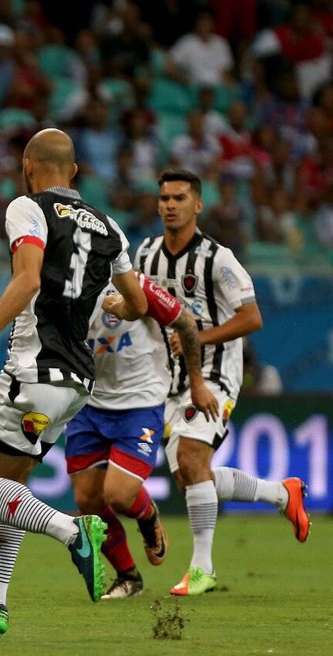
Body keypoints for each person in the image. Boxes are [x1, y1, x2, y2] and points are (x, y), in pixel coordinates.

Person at [0, 128, 149, 637]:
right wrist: (120, 306)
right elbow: (138, 304)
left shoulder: (27, 209)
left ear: (29, 166)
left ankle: (71, 530)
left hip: (32, 369)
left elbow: (28, 279)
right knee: (7, 488)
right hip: (76, 383)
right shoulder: (110, 229)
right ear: (74, 171)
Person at [131, 167, 309, 597]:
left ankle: (203, 568)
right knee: (192, 477)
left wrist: (196, 336)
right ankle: (283, 496)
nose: (170, 205)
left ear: (198, 204)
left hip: (214, 374)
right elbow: (137, 305)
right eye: (164, 198)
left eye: (179, 198)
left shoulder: (218, 258)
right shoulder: (147, 254)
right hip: (165, 376)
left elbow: (252, 317)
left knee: (192, 460)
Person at [65, 274, 219, 600]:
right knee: (87, 502)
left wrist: (196, 383)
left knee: (119, 495)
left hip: (140, 402)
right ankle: (128, 577)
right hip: (88, 403)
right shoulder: (65, 286)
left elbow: (186, 325)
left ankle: (149, 519)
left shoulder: (138, 286)